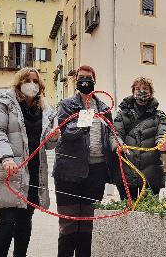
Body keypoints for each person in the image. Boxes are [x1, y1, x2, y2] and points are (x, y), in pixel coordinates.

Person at [0, 67, 60, 257]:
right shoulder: (4, 103)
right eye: (28, 80)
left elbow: (48, 145)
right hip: (12, 169)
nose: (32, 84)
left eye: (36, 81)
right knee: (7, 219)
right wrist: (6, 157)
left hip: (34, 171)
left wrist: (53, 138)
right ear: (19, 82)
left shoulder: (45, 110)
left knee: (26, 218)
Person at [53, 65, 115, 257]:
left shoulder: (104, 108)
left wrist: (117, 146)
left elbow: (111, 134)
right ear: (76, 81)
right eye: (81, 77)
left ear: (95, 81)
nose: (85, 80)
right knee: (69, 224)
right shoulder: (66, 105)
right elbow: (68, 132)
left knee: (88, 225)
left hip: (95, 172)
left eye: (88, 77)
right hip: (68, 172)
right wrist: (87, 116)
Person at [112, 77, 166, 200]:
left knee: (149, 213)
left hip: (151, 174)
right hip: (127, 171)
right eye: (138, 89)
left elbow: (163, 131)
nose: (141, 91)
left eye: (145, 89)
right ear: (133, 92)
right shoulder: (122, 114)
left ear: (151, 93)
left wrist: (162, 142)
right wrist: (118, 144)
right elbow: (115, 134)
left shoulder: (159, 115)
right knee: (128, 209)